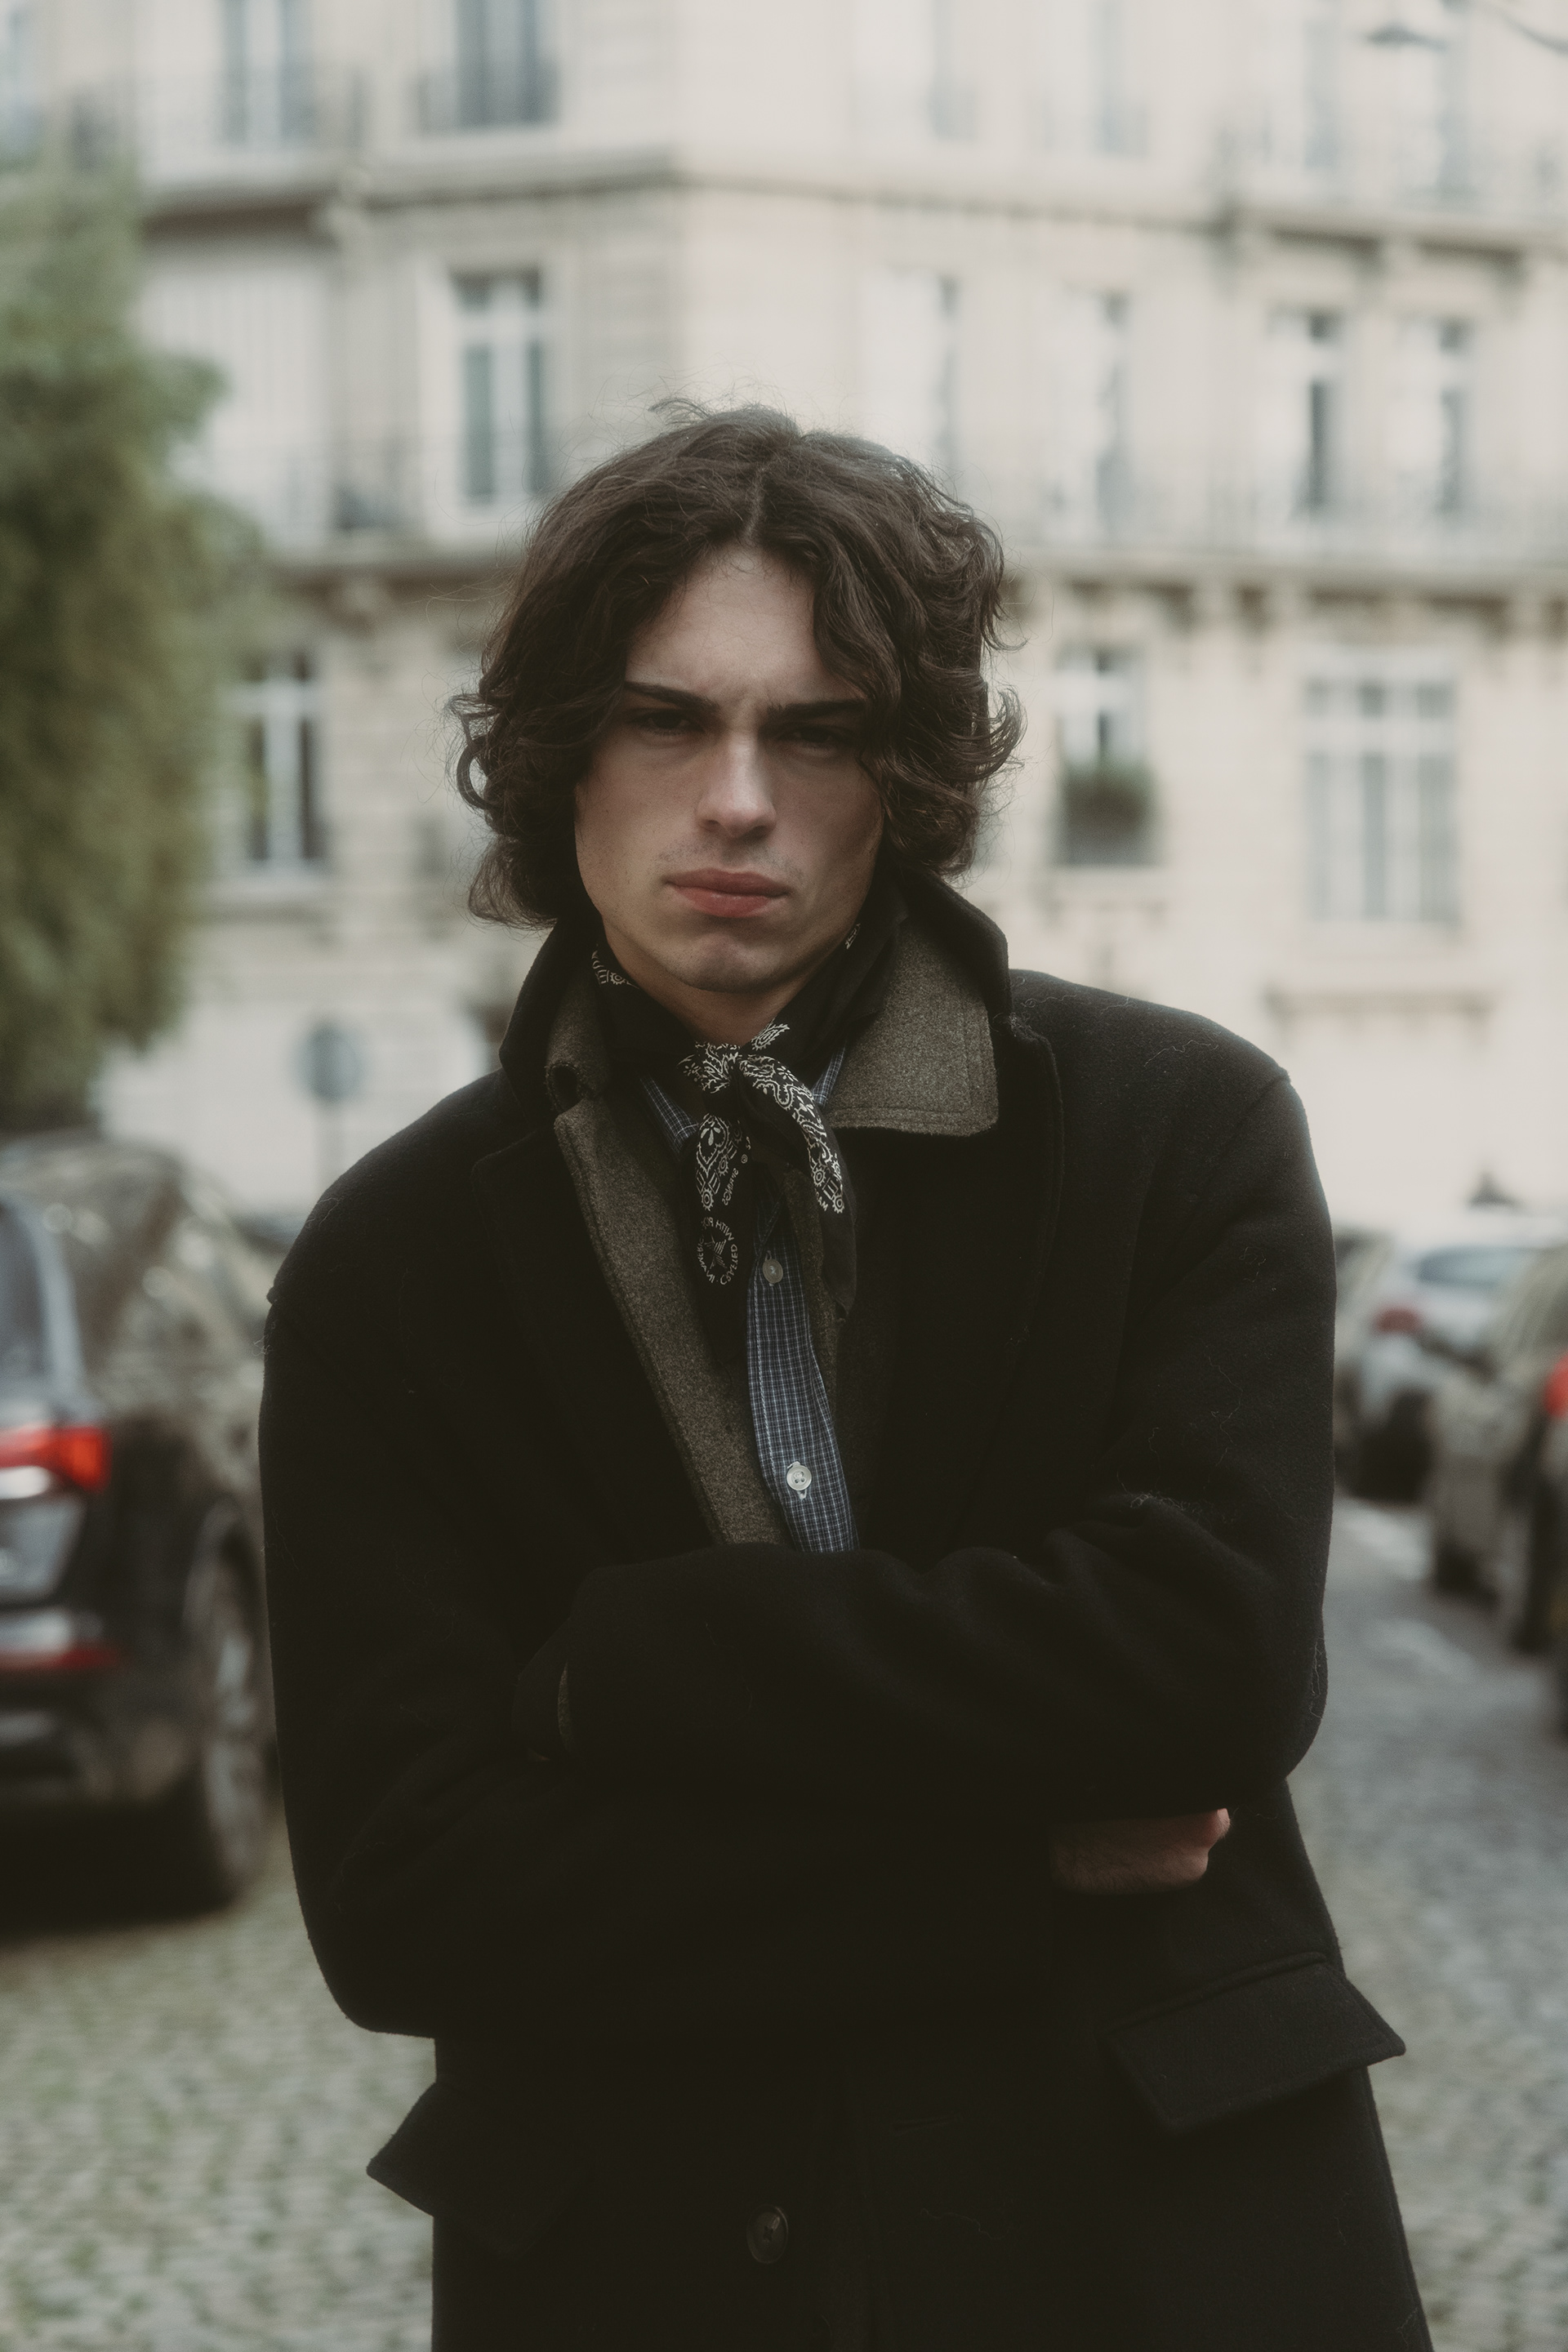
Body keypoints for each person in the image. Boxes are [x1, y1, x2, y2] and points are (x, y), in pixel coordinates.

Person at [260, 407, 1428, 2352]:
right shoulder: (392, 1266)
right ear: (561, 758)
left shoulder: (1179, 1129)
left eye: (815, 734)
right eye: (666, 722)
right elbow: (414, 1897)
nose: (738, 800)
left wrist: (632, 1669)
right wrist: (1013, 1856)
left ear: (907, 776)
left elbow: (1207, 1672)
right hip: (644, 2266)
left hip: (1159, 2242)